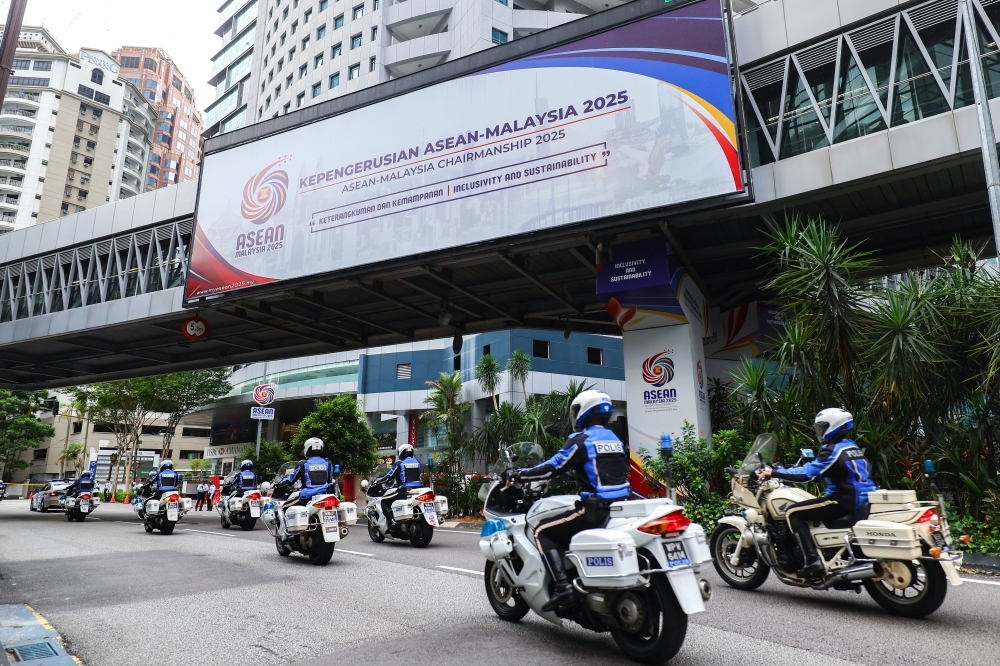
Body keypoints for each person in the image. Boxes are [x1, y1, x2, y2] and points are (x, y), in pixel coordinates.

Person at [513, 390, 630, 612]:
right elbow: (604, 470)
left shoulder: (581, 441)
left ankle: (564, 587)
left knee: (542, 532)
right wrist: (575, 473)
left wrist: (519, 474)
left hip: (595, 511)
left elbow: (553, 466)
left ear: (585, 411)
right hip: (620, 508)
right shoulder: (614, 438)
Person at [759, 407, 876, 577]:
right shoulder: (851, 446)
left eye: (822, 427)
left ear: (833, 426)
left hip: (843, 500)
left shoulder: (832, 450)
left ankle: (812, 561)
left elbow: (808, 475)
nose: (820, 431)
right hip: (864, 497)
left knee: (792, 512)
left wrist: (774, 472)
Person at [278, 437, 337, 509]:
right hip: (325, 495)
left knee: (284, 507)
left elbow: (290, 480)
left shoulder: (303, 464)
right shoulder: (328, 463)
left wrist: (279, 484)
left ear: (307, 448)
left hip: (307, 496)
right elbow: (330, 479)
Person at [374, 443, 422, 526]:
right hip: (419, 489)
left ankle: (391, 522)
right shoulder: (417, 462)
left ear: (401, 452)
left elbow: (388, 476)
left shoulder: (399, 463)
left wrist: (377, 482)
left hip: (405, 489)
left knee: (384, 501)